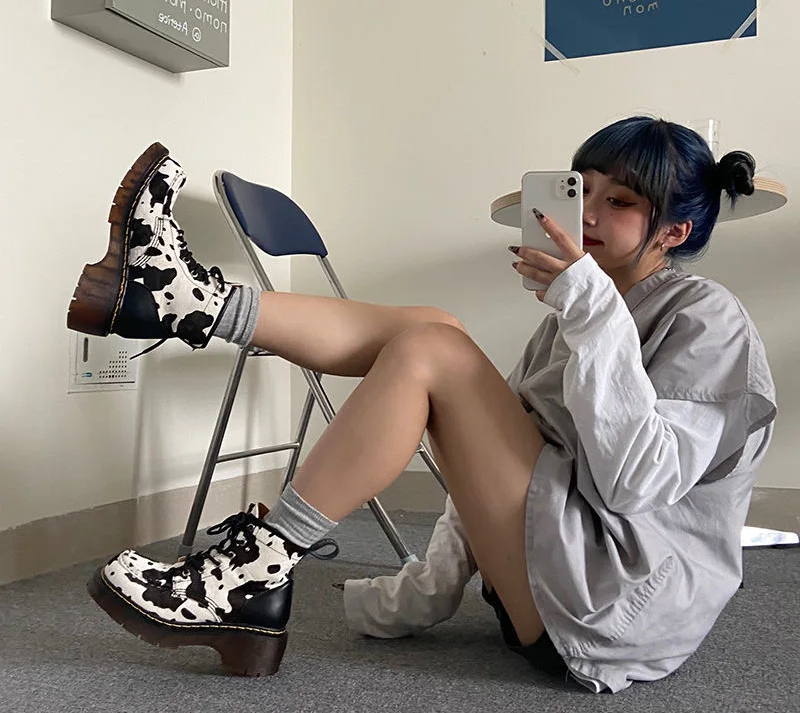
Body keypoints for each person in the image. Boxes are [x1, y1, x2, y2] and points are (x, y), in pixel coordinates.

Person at [67, 116, 777, 693]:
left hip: (617, 608)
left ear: (674, 232)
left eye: (619, 202)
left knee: (438, 349)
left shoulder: (707, 319)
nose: (586, 212)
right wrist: (415, 598)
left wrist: (587, 305)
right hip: (553, 575)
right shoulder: (575, 319)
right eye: (579, 189)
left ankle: (257, 568)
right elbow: (484, 477)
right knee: (438, 329)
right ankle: (184, 299)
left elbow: (637, 483)